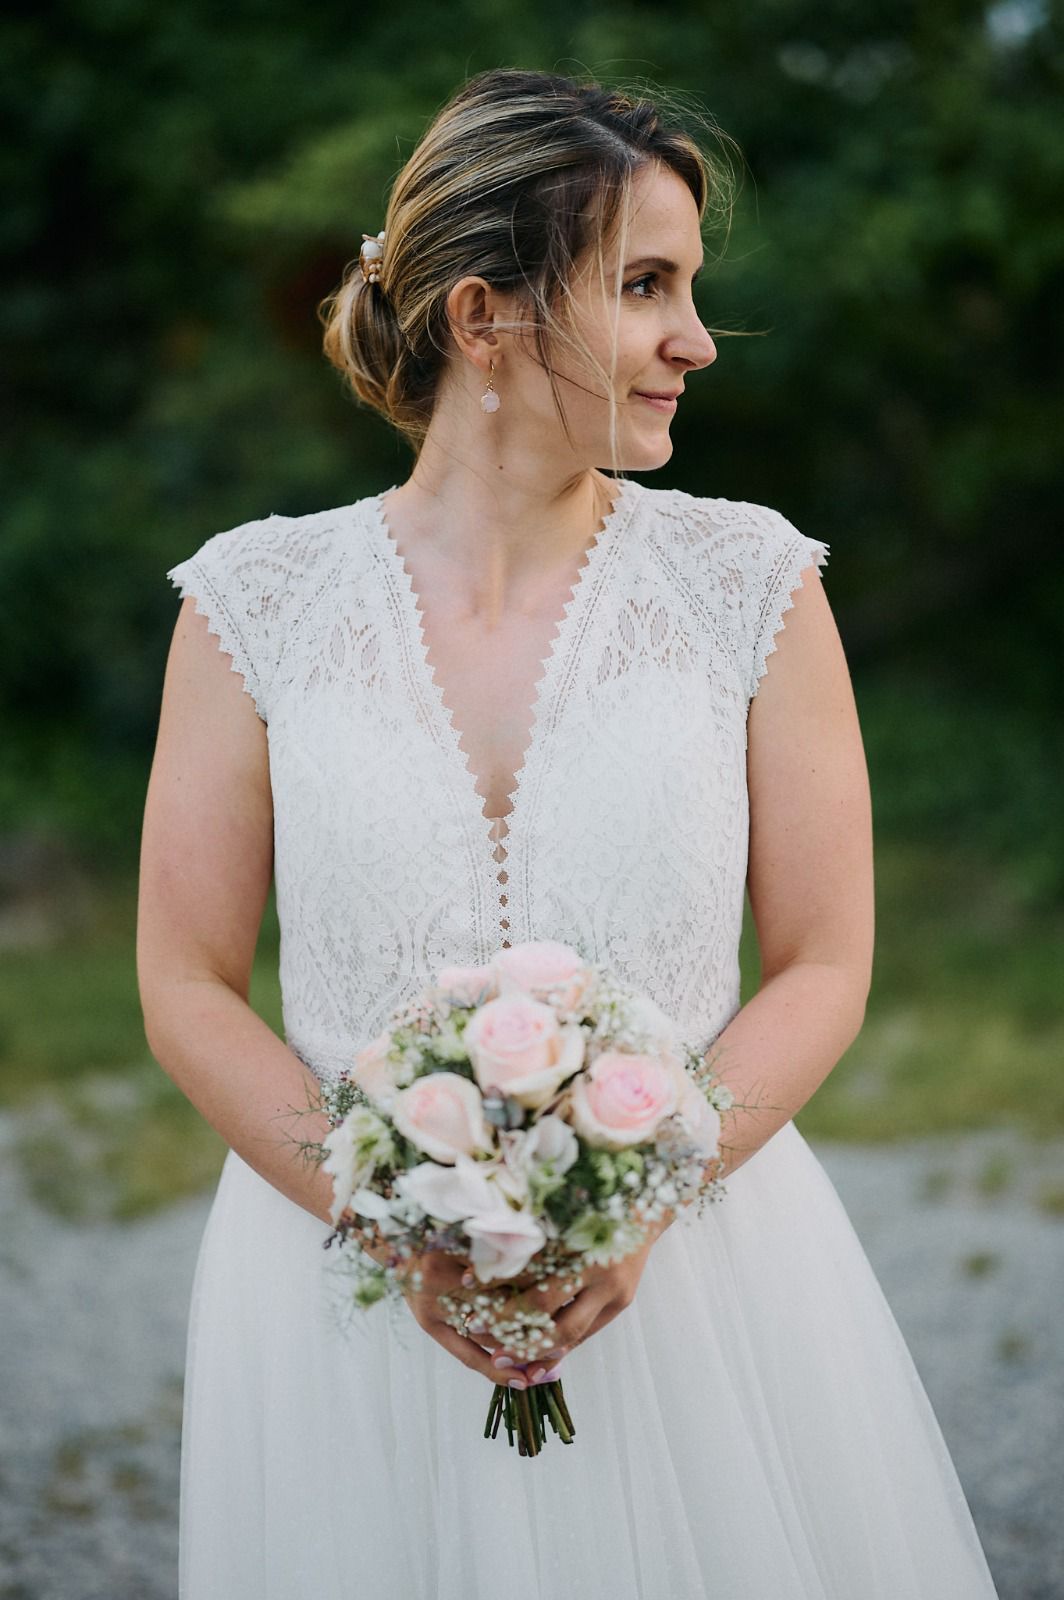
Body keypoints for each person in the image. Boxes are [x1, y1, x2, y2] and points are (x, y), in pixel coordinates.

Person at [137, 66, 1000, 1600]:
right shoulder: (252, 605)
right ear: (485, 317)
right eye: (647, 286)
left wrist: (642, 1200)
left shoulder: (752, 586)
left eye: (693, 286)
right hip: (341, 1287)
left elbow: (823, 958)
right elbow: (187, 977)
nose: (698, 340)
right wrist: (393, 1217)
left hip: (695, 1276)